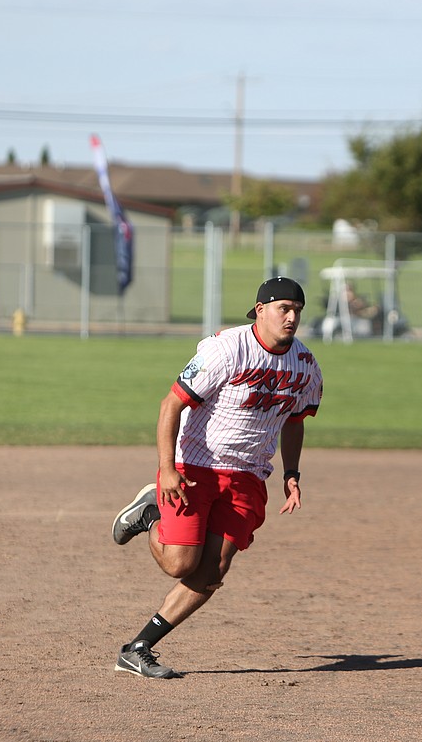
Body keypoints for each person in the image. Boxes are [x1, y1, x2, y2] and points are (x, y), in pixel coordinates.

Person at [110, 276, 323, 679]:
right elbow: (170, 405)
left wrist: (292, 473)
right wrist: (168, 469)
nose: (291, 316)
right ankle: (150, 515)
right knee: (180, 564)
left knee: (212, 572)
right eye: (283, 308)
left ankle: (138, 648)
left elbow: (295, 422)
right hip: (194, 468)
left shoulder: (306, 365)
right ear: (260, 310)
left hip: (247, 476)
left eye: (297, 309)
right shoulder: (226, 349)